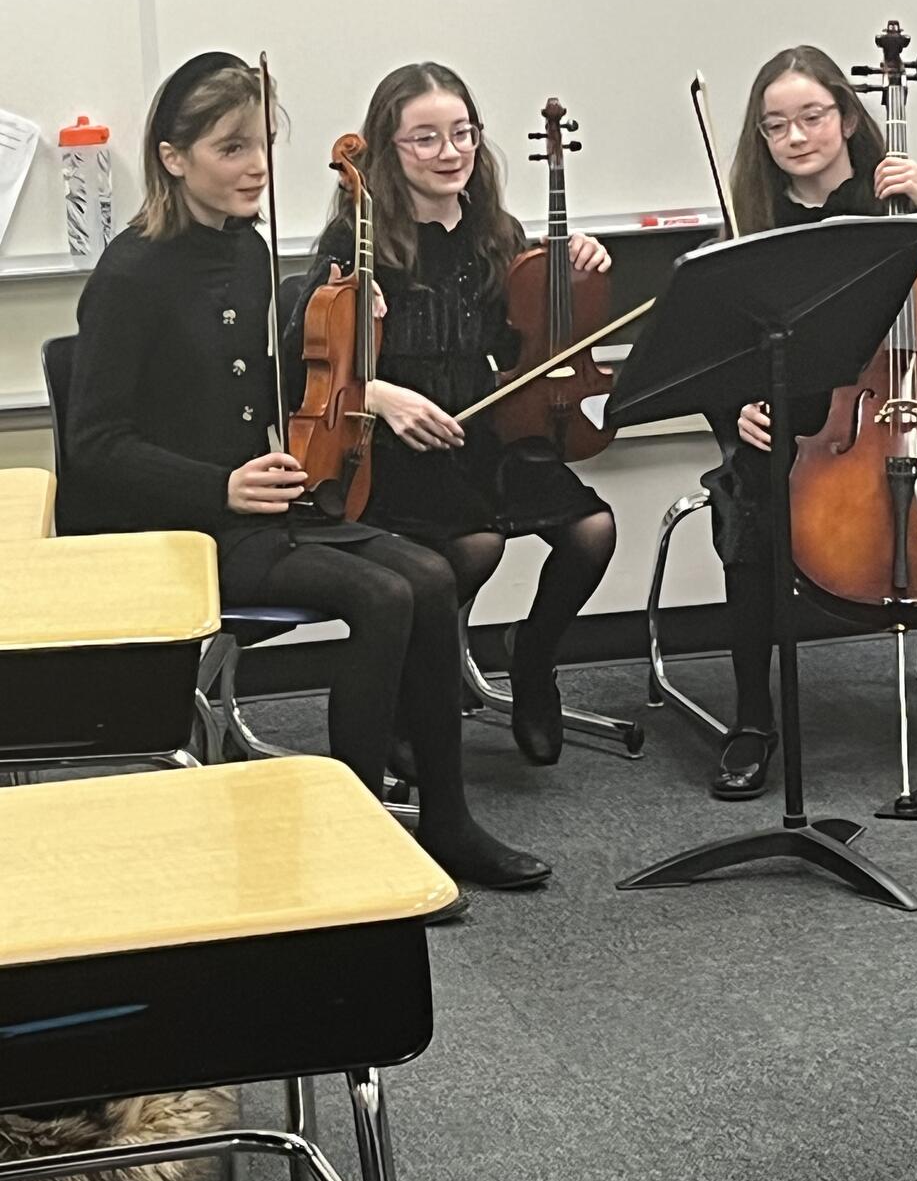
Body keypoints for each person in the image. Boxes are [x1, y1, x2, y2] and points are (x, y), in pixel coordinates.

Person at [64, 49, 550, 892]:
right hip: (180, 528)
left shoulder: (247, 248)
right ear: (173, 158)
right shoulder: (131, 273)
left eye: (262, 143)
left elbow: (265, 378)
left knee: (432, 576)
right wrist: (219, 486)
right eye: (231, 148)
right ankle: (352, 844)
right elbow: (95, 444)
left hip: (263, 506)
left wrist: (355, 326)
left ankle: (447, 822)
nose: (256, 166)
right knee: (384, 593)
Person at [703, 44, 917, 800]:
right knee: (751, 506)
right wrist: (736, 410)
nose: (795, 136)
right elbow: (714, 351)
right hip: (806, 425)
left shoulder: (904, 204)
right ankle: (753, 720)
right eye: (775, 125)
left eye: (811, 116)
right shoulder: (756, 225)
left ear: (847, 118)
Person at [296, 62, 617, 766]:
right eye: (426, 138)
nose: (450, 152)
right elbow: (304, 363)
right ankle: (407, 694)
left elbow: (525, 336)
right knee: (476, 546)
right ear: (389, 150)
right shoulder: (357, 241)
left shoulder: (496, 232)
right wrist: (380, 396)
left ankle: (532, 659)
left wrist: (570, 267)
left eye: (462, 133)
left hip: (483, 432)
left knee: (592, 529)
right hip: (397, 449)